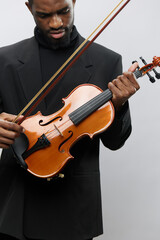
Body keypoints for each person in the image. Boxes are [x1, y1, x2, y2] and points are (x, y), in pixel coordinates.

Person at [0, 0, 140, 239]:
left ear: (74, 2)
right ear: (29, 8)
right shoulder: (5, 60)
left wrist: (119, 104)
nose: (56, 23)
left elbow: (115, 142)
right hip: (17, 200)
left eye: (64, 11)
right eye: (44, 15)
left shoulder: (106, 60)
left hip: (73, 205)